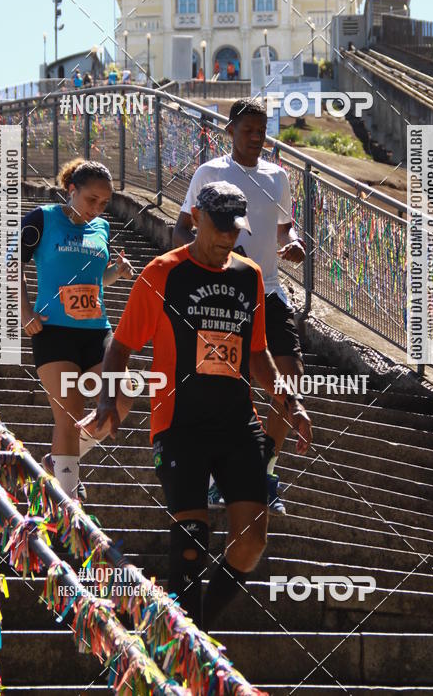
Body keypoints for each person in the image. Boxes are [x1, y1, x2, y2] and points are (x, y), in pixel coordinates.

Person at [78, 181, 312, 629]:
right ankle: (184, 646)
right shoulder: (163, 273)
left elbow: (257, 352)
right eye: (220, 226)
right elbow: (120, 347)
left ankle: (192, 636)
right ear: (198, 218)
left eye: (235, 229)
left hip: (237, 424)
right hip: (180, 424)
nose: (228, 236)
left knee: (251, 543)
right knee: (191, 543)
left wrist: (291, 402)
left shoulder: (249, 275)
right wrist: (107, 399)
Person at [173, 99, 307, 514]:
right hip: (222, 292)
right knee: (228, 383)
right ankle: (220, 478)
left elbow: (284, 230)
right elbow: (182, 228)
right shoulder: (209, 172)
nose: (256, 137)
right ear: (229, 130)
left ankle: (264, 469)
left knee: (291, 376)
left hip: (269, 290)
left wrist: (292, 244)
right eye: (247, 129)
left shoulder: (278, 176)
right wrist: (207, 262)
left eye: (262, 130)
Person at [19, 158, 133, 500]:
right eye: (91, 199)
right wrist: (25, 312)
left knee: (121, 399)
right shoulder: (42, 218)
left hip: (97, 331)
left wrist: (116, 272)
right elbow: (11, 265)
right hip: (54, 331)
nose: (97, 208)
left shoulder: (102, 228)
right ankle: (67, 501)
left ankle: (60, 460)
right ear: (71, 190)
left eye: (104, 203)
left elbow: (94, 278)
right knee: (69, 414)